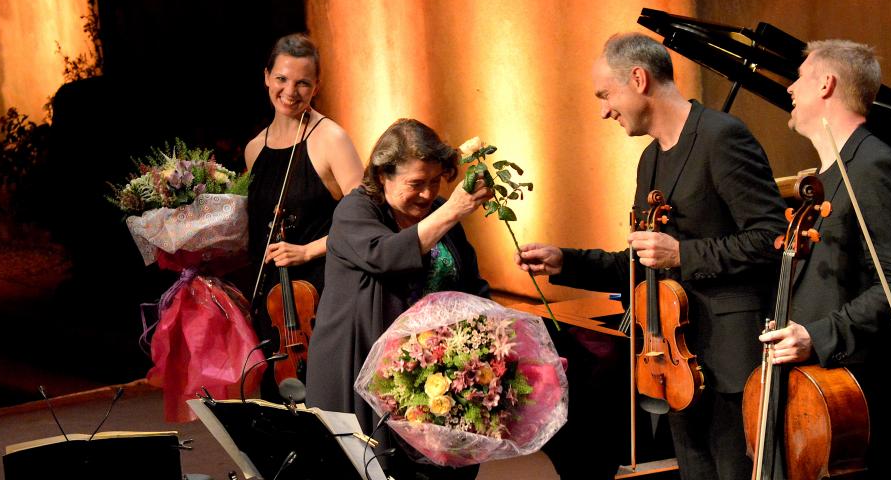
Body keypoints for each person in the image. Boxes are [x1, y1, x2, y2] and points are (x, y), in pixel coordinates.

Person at [516, 32, 788, 480]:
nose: (604, 109)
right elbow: (644, 264)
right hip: (671, 360)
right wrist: (567, 261)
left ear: (638, 79)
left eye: (606, 94)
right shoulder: (650, 160)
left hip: (729, 362)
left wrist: (683, 252)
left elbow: (771, 238)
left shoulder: (721, 138)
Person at [761, 39, 891, 479]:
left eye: (799, 78)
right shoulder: (826, 177)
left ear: (826, 84)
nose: (790, 89)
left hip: (855, 400)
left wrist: (817, 336)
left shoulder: (874, 165)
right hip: (816, 396)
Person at [305, 118, 493, 480]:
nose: (427, 194)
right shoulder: (354, 211)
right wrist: (451, 210)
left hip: (434, 376)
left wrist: (494, 338)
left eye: (435, 181)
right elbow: (385, 256)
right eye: (415, 184)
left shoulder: (438, 210)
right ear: (382, 176)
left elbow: (470, 281)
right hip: (363, 371)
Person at [244, 33, 364, 383]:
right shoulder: (255, 149)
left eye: (302, 82)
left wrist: (307, 251)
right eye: (281, 78)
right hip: (271, 304)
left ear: (317, 86)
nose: (290, 91)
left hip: (323, 295)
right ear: (266, 76)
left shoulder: (332, 139)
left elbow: (367, 224)